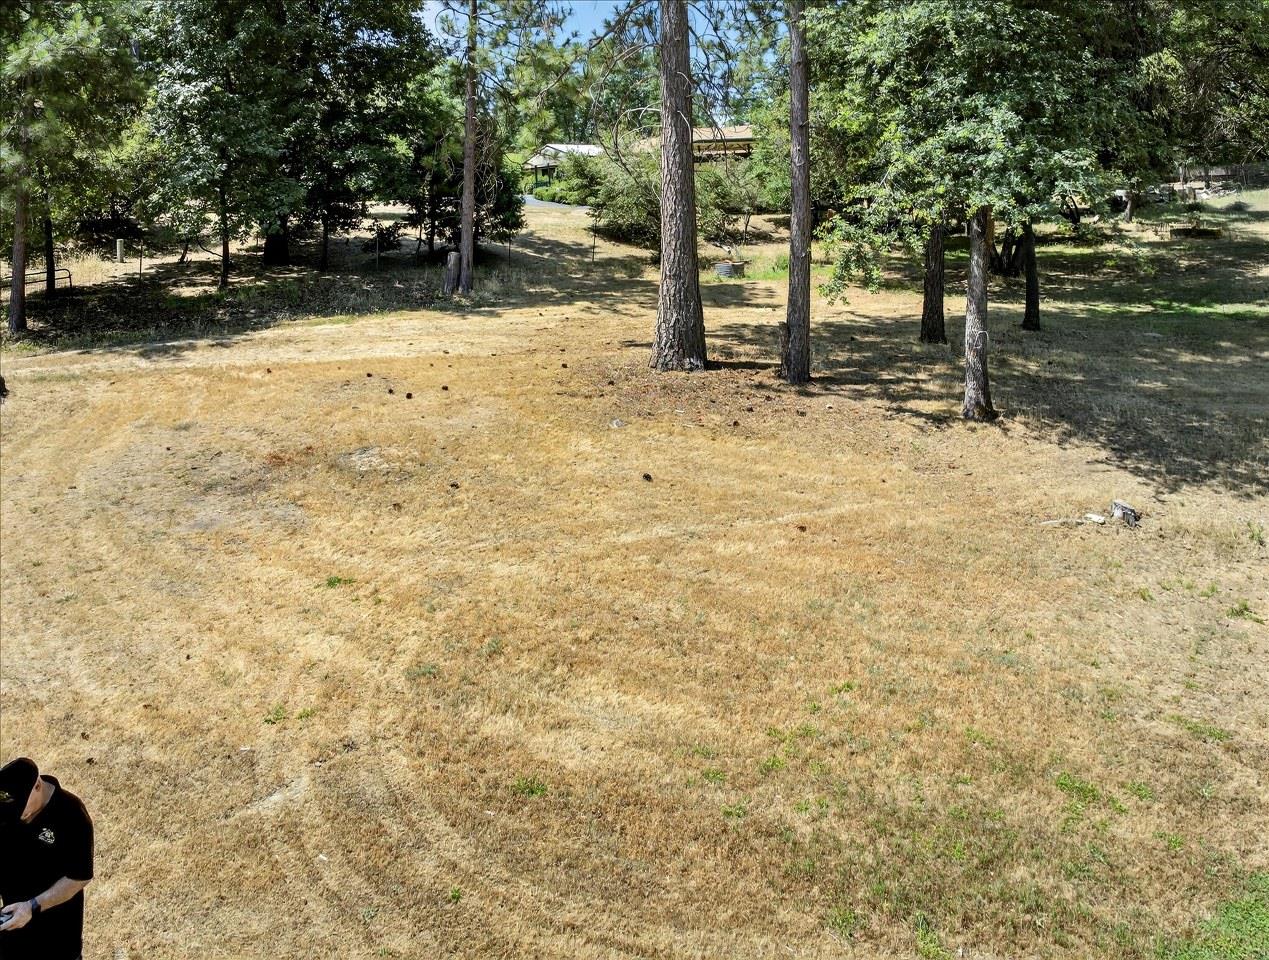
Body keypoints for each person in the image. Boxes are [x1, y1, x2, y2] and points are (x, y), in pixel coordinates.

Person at [0, 758, 94, 960]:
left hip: (56, 936)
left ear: (38, 785)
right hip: (10, 927)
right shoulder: (7, 809)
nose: (18, 815)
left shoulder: (72, 814)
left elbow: (79, 877)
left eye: (21, 807)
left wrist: (32, 906)